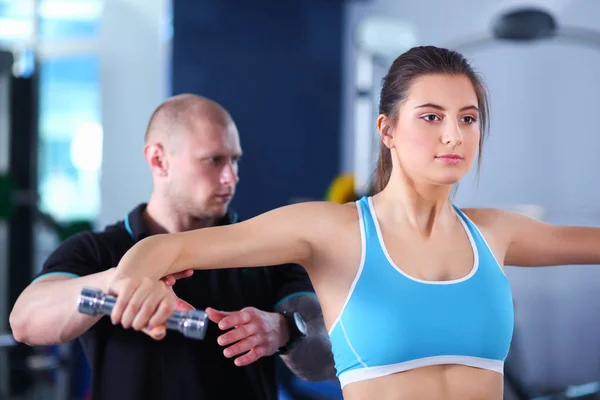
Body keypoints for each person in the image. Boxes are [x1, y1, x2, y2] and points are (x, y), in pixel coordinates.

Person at [97, 45, 600, 400]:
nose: (454, 136)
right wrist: (135, 281)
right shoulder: (332, 231)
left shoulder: (495, 233)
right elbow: (165, 250)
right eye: (431, 117)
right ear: (388, 129)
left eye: (467, 118)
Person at [9, 94, 337, 400]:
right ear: (158, 160)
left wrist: (285, 330)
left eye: (234, 160)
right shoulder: (98, 251)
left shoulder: (267, 249)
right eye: (213, 160)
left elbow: (329, 356)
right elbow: (25, 322)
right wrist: (117, 282)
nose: (231, 178)